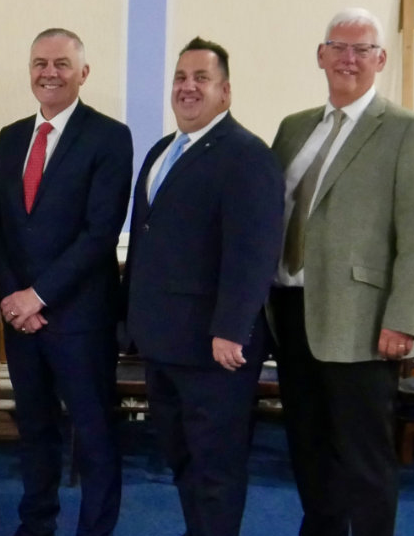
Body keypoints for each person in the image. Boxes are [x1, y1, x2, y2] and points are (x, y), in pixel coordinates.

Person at [268, 7, 414, 536]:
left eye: (362, 49)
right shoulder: (294, 128)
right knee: (307, 445)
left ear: (380, 59)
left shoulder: (408, 131)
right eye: (339, 47)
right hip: (290, 309)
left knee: (364, 457)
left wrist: (406, 320)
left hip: (365, 322)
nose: (349, 59)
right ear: (320, 55)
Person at [124, 38, 283, 536]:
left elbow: (253, 251)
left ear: (225, 91)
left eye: (201, 78)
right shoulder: (160, 151)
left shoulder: (246, 154)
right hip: (162, 341)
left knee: (215, 468)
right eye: (180, 78)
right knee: (181, 459)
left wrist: (233, 330)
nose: (187, 87)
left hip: (216, 349)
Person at [0, 28, 131, 536]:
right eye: (40, 62)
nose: (50, 72)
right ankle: (35, 524)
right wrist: (11, 296)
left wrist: (39, 295)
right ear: (29, 70)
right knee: (35, 431)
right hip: (23, 321)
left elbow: (99, 231)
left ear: (83, 73)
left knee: (93, 436)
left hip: (79, 317)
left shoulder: (110, 137)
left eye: (62, 64)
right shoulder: (10, 137)